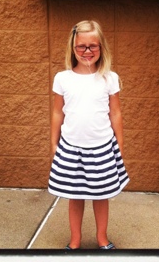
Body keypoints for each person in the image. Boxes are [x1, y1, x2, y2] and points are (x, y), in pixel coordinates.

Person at [48, 20, 129, 250]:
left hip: (102, 147)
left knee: (101, 196)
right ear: (72, 48)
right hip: (71, 147)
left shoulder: (109, 78)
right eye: (81, 46)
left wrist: (120, 143)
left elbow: (115, 113)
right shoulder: (62, 78)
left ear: (101, 47)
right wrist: (53, 143)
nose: (87, 51)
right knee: (75, 196)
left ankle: (102, 238)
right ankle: (75, 240)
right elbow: (57, 112)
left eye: (92, 46)